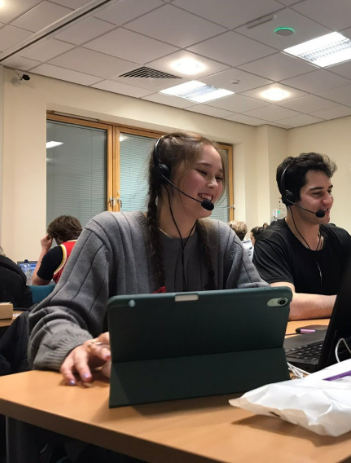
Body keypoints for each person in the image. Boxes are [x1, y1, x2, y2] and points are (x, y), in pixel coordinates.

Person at [28, 132, 267, 386]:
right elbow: (54, 316)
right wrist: (74, 346)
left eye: (219, 177)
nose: (214, 185)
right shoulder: (110, 232)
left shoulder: (222, 239)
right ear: (163, 175)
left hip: (206, 383)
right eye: (203, 172)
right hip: (122, 390)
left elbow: (263, 306)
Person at [253, 153, 351, 321]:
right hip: (299, 341)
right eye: (317, 193)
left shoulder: (340, 237)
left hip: (342, 336)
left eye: (329, 191)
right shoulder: (271, 242)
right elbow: (286, 304)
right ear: (290, 198)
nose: (328, 200)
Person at [32, 215, 83, 286]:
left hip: (68, 296)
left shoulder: (57, 253)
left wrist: (44, 249)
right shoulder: (91, 247)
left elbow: (37, 283)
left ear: (57, 237)